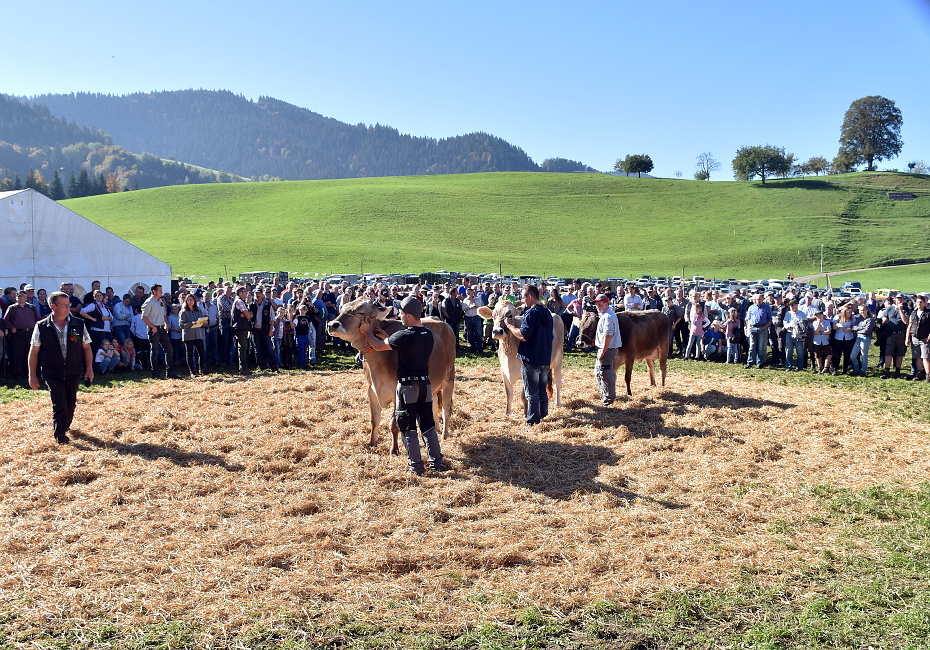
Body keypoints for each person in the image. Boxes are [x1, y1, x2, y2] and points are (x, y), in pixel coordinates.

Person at [358, 296, 446, 475]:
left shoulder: (404, 335)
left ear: (409, 316)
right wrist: (389, 338)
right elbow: (409, 345)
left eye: (402, 313)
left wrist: (367, 332)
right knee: (428, 427)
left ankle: (417, 467)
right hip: (426, 387)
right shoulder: (427, 334)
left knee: (408, 428)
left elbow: (378, 346)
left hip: (408, 388)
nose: (400, 315)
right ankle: (437, 463)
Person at [28, 291, 94, 444]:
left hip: (73, 370)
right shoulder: (42, 326)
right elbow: (34, 351)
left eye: (68, 305)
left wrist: (89, 369)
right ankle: (60, 435)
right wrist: (32, 375)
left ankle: (65, 425)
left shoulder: (78, 324)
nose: (67, 308)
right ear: (53, 306)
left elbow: (86, 347)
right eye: (63, 305)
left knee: (70, 403)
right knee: (59, 404)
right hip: (52, 372)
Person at [504, 284, 553, 426]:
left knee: (532, 393)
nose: (523, 300)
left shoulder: (531, 313)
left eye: (524, 297)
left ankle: (532, 421)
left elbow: (523, 335)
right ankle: (543, 416)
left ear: (530, 297)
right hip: (545, 358)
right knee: (542, 390)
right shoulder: (547, 312)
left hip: (531, 359)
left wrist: (510, 326)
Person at [141, 284, 179, 380]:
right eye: (160, 290)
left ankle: (170, 372)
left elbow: (164, 314)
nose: (161, 292)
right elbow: (144, 317)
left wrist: (166, 324)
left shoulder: (160, 302)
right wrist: (153, 327)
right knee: (155, 351)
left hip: (161, 328)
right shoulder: (149, 302)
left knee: (169, 349)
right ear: (154, 291)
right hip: (154, 328)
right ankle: (155, 373)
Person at [592, 293, 621, 406]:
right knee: (599, 372)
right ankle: (606, 395)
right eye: (597, 304)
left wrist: (603, 351)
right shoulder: (606, 314)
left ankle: (608, 399)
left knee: (605, 373)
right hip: (606, 348)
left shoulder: (608, 316)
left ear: (606, 303)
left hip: (607, 350)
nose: (598, 306)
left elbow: (608, 335)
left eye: (600, 304)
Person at [4, 290, 40, 380]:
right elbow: (6, 320)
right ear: (16, 298)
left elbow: (38, 319)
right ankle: (18, 373)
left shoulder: (31, 307)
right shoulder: (12, 308)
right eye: (19, 297)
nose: (21, 298)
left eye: (23, 296)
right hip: (18, 333)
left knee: (30, 353)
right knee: (18, 353)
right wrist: (12, 328)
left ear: (26, 297)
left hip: (31, 333)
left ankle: (29, 372)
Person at [179, 293, 208, 377]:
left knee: (202, 352)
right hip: (189, 335)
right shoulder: (183, 312)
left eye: (192, 300)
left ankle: (202, 369)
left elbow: (203, 323)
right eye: (188, 300)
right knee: (190, 354)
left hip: (198, 334)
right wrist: (190, 323)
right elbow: (181, 325)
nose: (190, 301)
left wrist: (204, 322)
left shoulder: (198, 310)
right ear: (186, 301)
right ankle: (192, 371)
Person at [904, 293, 930, 382]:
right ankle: (920, 374)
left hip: (924, 338)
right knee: (917, 357)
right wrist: (907, 339)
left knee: (925, 357)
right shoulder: (914, 313)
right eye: (918, 302)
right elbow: (909, 326)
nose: (919, 304)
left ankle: (928, 375)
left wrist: (929, 336)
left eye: (921, 302)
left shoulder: (928, 313)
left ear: (925, 303)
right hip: (914, 338)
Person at [744, 292, 772, 369]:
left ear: (763, 299)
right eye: (756, 299)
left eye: (759, 299)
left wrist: (764, 327)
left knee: (761, 347)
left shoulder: (767, 308)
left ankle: (760, 362)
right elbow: (748, 318)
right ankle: (750, 362)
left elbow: (770, 320)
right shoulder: (751, 307)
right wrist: (749, 326)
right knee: (752, 346)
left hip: (762, 328)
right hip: (752, 328)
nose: (758, 301)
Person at [231, 286, 254, 375]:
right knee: (243, 347)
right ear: (240, 293)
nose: (246, 293)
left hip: (241, 327)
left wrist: (248, 314)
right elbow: (248, 315)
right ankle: (243, 368)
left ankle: (243, 367)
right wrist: (249, 314)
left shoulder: (240, 301)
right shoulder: (240, 302)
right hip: (241, 327)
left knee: (242, 347)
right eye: (244, 292)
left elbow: (247, 314)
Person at [850, 303, 875, 377]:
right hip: (858, 337)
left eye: (863, 310)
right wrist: (861, 328)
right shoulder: (859, 319)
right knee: (853, 356)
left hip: (866, 338)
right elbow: (853, 327)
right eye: (860, 310)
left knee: (864, 355)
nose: (862, 312)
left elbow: (867, 331)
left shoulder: (870, 319)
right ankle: (857, 370)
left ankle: (863, 371)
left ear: (867, 310)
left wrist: (857, 329)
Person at [783, 300, 807, 372]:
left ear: (797, 305)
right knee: (789, 351)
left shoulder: (802, 314)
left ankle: (800, 367)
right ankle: (789, 366)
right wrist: (791, 325)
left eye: (793, 305)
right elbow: (785, 323)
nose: (791, 307)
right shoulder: (788, 314)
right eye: (790, 305)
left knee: (800, 351)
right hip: (790, 333)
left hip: (799, 335)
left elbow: (805, 324)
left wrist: (799, 326)